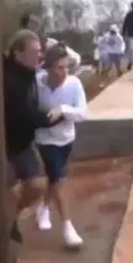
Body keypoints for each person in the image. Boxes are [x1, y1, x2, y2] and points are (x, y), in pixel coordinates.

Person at [3, 30, 64, 249]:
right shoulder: (4, 77)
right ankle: (5, 236)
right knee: (7, 191)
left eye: (40, 52)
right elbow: (21, 114)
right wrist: (50, 118)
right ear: (18, 53)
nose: (39, 56)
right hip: (1, 144)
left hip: (23, 141)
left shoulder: (29, 75)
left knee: (36, 186)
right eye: (34, 52)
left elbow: (28, 110)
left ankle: (9, 220)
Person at [33, 45, 87, 248]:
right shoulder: (37, 83)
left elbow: (83, 113)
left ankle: (43, 208)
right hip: (45, 140)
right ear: (47, 68)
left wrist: (63, 110)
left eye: (66, 67)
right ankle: (68, 227)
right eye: (58, 68)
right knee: (58, 180)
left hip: (67, 139)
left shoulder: (74, 84)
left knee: (55, 179)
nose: (63, 72)